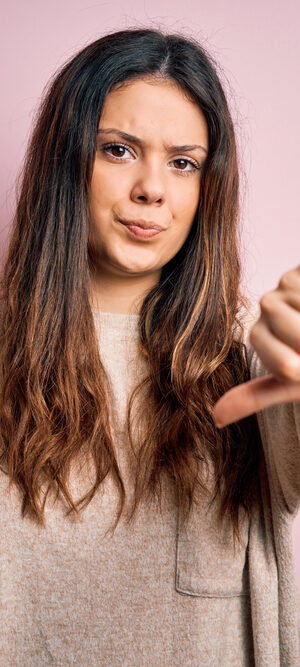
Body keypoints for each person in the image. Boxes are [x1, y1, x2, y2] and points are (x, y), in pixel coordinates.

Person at [0, 27, 299, 667]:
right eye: (117, 150)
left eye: (183, 162)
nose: (152, 189)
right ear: (65, 161)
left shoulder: (246, 357)